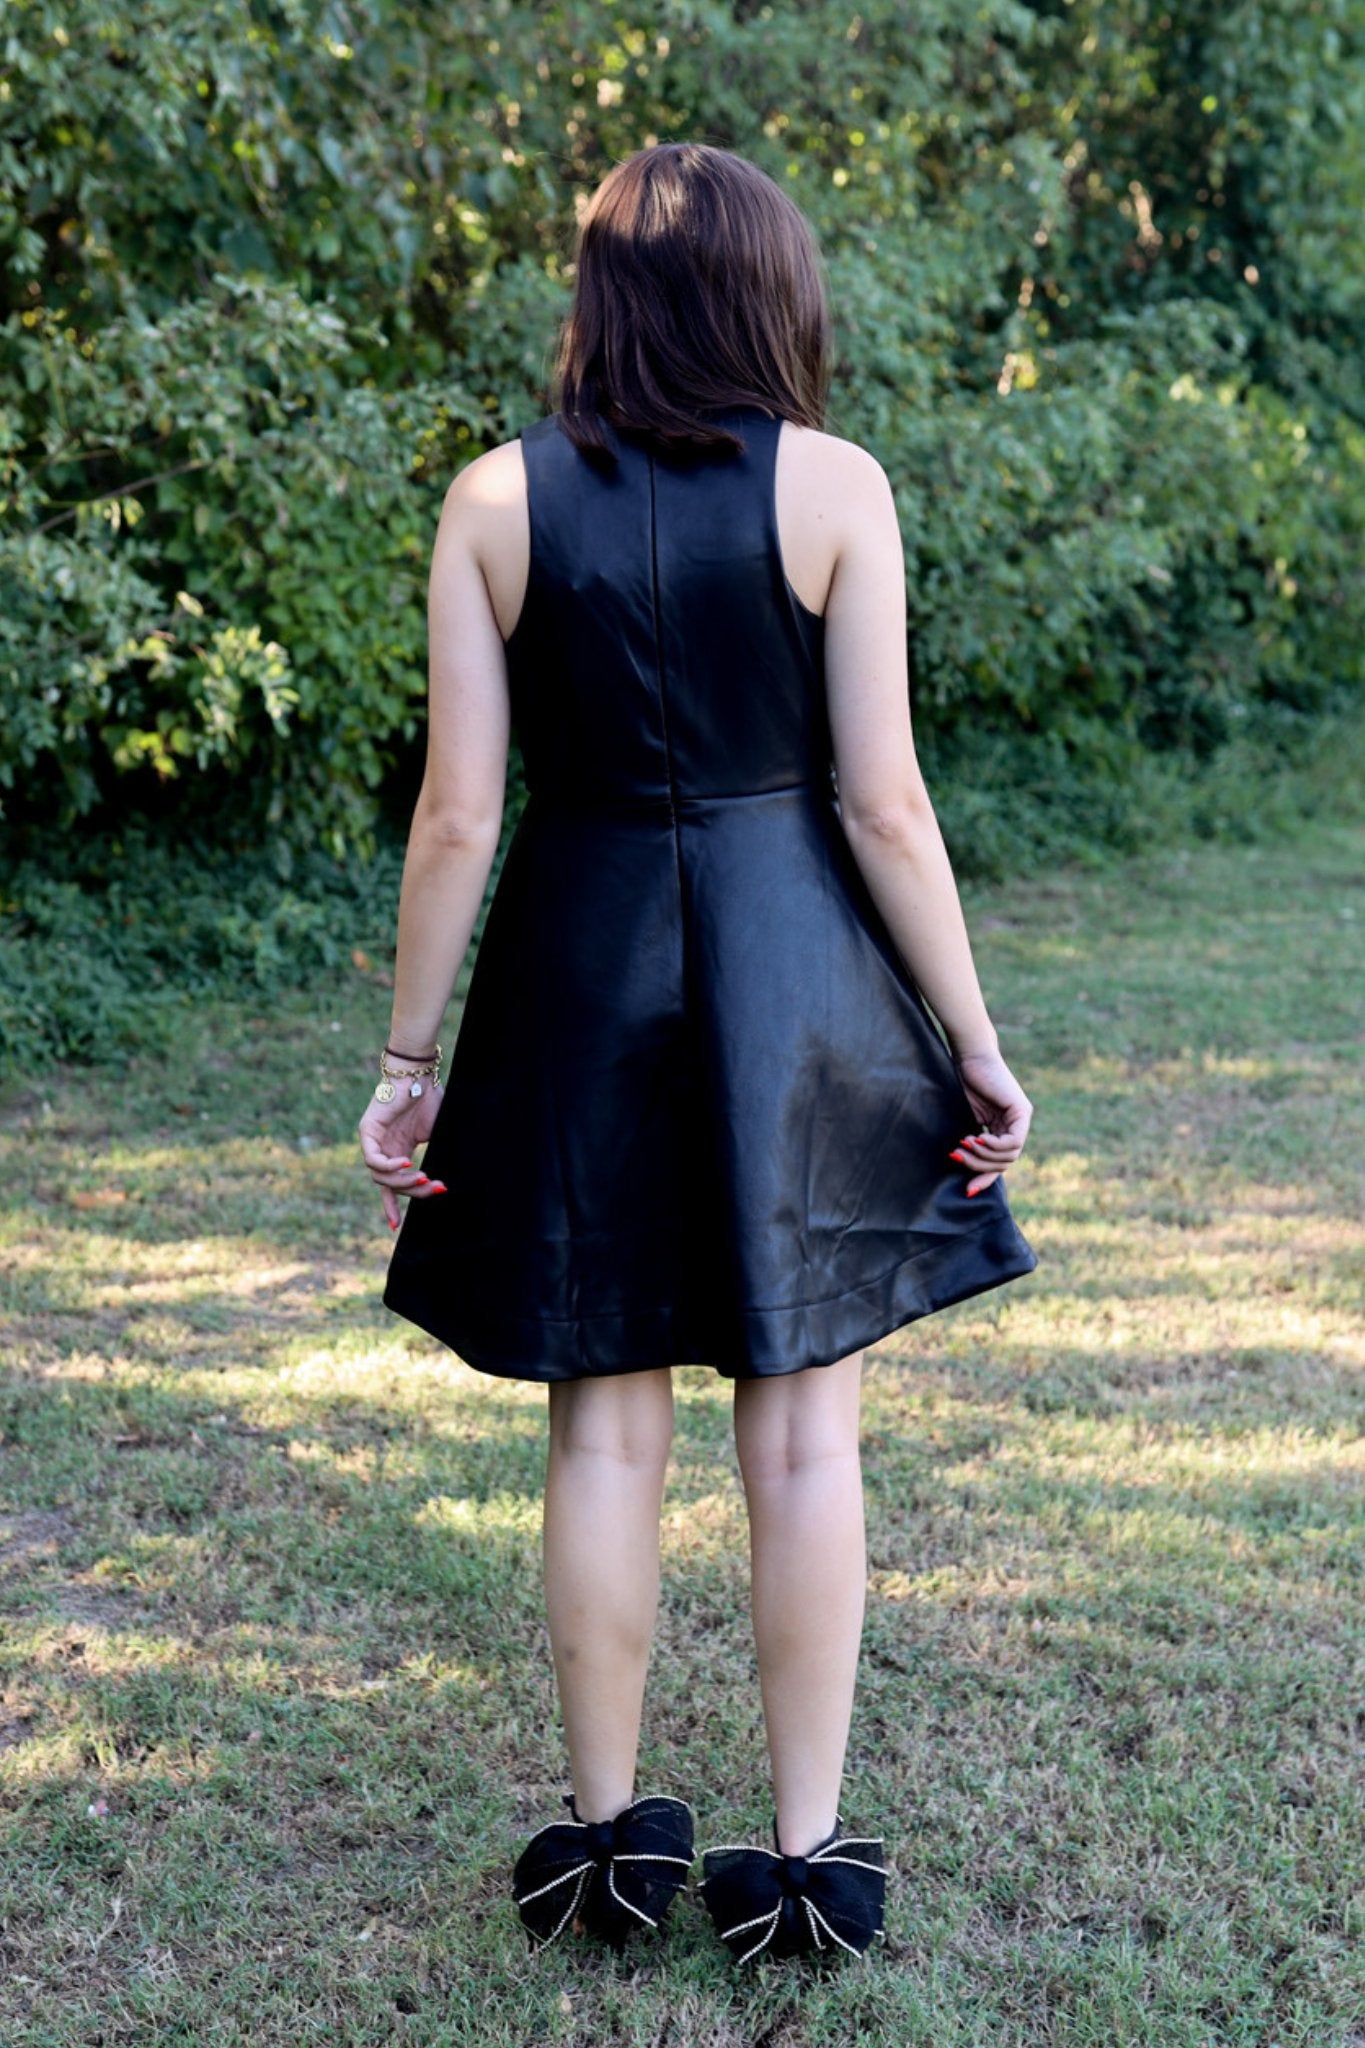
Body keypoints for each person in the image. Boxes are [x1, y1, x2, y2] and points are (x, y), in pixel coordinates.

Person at [358, 140, 1037, 1966]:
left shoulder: (492, 500)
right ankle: (804, 1865)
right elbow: (884, 806)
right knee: (803, 1436)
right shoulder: (836, 487)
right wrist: (972, 1043)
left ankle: (603, 1847)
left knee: (601, 1425)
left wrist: (410, 1058)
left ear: (601, 297)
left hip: (575, 968)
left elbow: (455, 817)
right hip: (792, 973)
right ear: (767, 292)